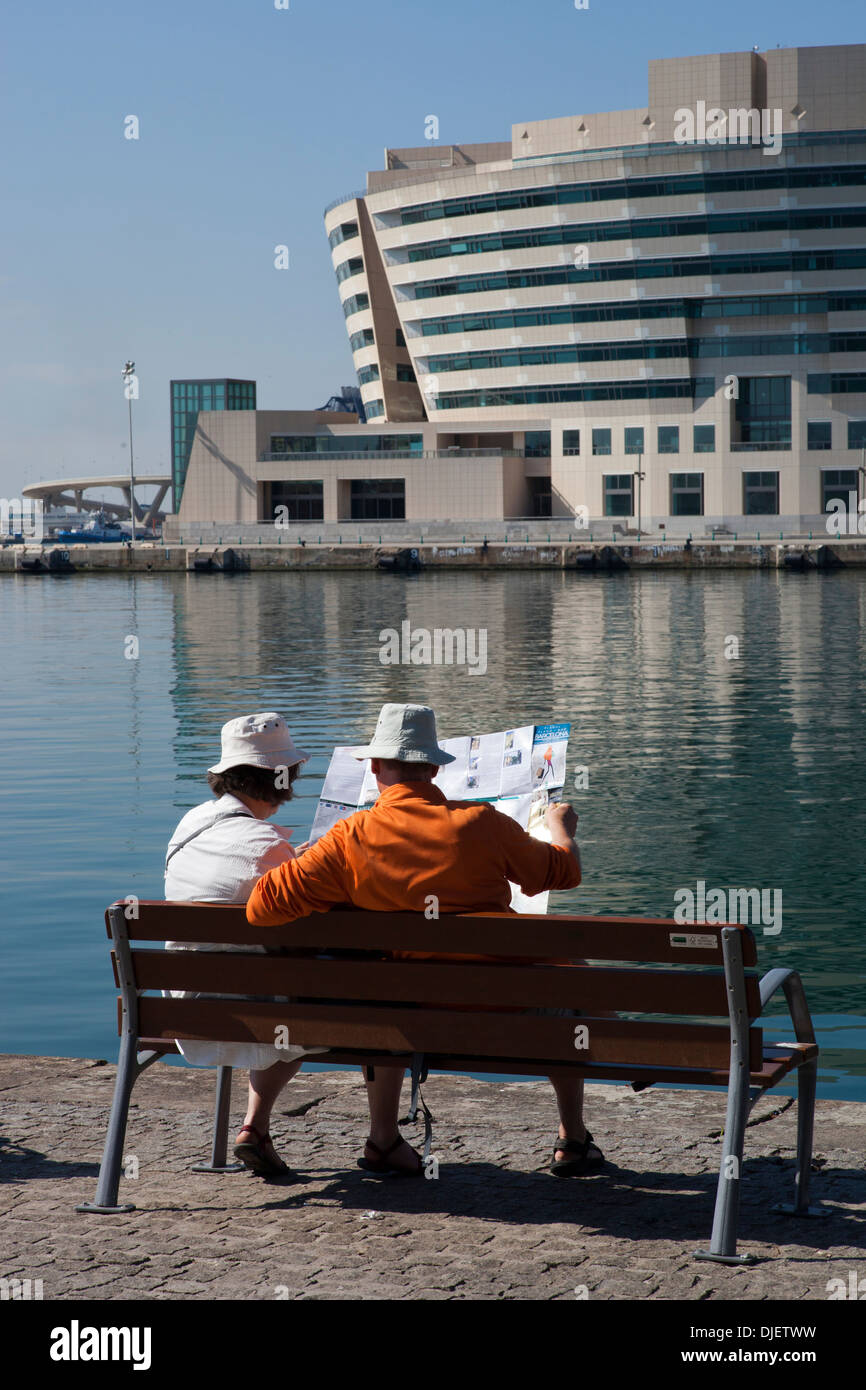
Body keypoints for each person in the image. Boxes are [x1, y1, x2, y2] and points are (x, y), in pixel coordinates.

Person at [246, 703, 603, 1178]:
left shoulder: (350, 836)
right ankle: (573, 1139)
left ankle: (382, 1137)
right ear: (435, 769)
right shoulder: (482, 822)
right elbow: (563, 872)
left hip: (401, 1012)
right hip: (504, 1007)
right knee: (568, 993)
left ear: (374, 768)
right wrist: (561, 830)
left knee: (381, 987)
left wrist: (321, 867)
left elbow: (262, 907)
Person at [164, 712, 327, 1177]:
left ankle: (254, 1126)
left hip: (182, 1005)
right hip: (252, 1007)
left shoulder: (190, 825)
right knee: (351, 995)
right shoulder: (266, 845)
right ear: (280, 778)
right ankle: (384, 1140)